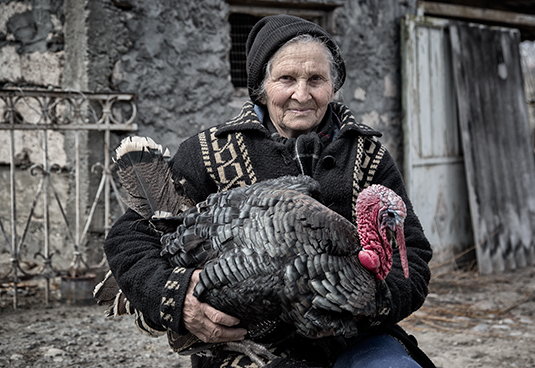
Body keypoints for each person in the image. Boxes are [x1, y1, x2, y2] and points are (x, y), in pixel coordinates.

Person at [104, 14, 435, 368]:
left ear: (333, 87)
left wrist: (370, 303)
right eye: (286, 79)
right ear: (263, 85)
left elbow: (410, 253)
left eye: (316, 79)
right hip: (248, 343)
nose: (301, 94)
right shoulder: (209, 152)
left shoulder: (368, 155)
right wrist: (179, 297)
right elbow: (128, 238)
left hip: (355, 336)